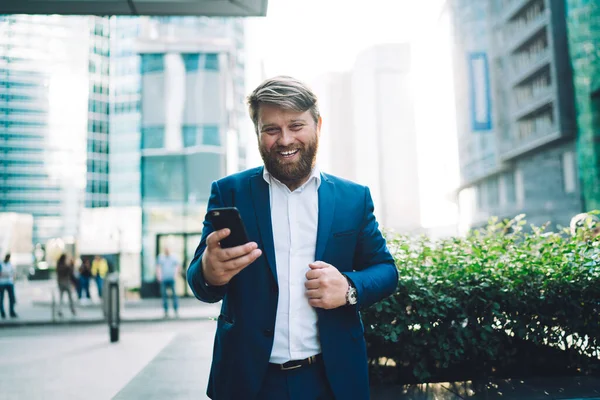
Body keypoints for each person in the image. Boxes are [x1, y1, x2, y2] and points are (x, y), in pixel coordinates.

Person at [187, 76, 398, 400]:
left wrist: (349, 288)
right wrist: (208, 271)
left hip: (331, 380)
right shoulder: (229, 192)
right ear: (257, 132)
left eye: (296, 125)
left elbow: (385, 270)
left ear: (318, 125)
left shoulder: (352, 198)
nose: (284, 140)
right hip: (248, 381)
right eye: (271, 129)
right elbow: (200, 281)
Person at [156, 247, 180, 318]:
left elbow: (177, 266)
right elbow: (158, 267)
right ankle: (166, 311)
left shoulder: (174, 257)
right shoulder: (161, 257)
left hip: (172, 279)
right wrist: (159, 276)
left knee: (174, 295)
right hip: (164, 279)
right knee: (164, 295)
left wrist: (175, 275)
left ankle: (176, 310)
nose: (167, 250)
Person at [0, 253, 18, 319]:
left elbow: (13, 273)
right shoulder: (1, 264)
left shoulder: (10, 265)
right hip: (2, 283)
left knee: (12, 298)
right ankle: (2, 312)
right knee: (1, 298)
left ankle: (11, 312)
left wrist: (13, 279)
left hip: (9, 283)